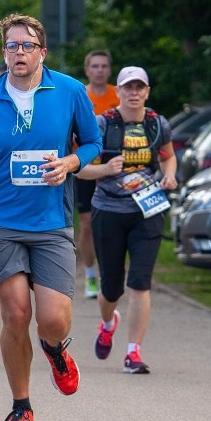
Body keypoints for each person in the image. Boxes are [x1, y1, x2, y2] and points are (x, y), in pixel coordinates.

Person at [0, 13, 102, 421]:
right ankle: (21, 407)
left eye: (27, 45)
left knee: (53, 319)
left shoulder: (71, 91)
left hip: (51, 222)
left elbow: (92, 142)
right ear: (3, 52)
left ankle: (55, 349)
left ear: (43, 51)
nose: (18, 53)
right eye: (11, 46)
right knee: (16, 313)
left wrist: (72, 162)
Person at [76, 66, 176, 375]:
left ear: (147, 91)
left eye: (139, 87)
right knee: (111, 288)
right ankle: (108, 322)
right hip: (109, 211)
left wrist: (169, 175)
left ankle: (133, 353)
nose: (134, 93)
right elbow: (79, 168)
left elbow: (168, 155)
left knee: (140, 283)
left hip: (147, 211)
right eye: (127, 87)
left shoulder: (157, 124)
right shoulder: (101, 124)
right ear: (117, 91)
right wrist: (105, 169)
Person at [74, 50, 119, 298]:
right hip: (87, 167)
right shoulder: (81, 95)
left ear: (109, 70)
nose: (99, 70)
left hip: (116, 168)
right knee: (88, 225)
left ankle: (110, 275)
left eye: (103, 66)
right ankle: (90, 275)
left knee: (114, 224)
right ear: (87, 70)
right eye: (95, 66)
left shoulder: (118, 95)